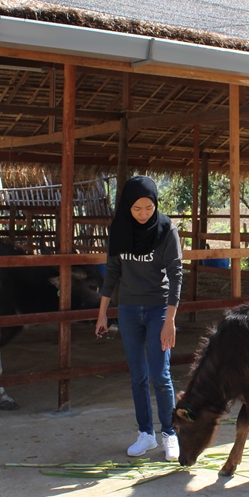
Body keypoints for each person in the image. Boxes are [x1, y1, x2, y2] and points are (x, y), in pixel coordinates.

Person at [96, 175, 184, 462]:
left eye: (149, 208)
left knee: (161, 374)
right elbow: (112, 273)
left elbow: (176, 274)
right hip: (129, 311)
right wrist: (102, 314)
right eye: (137, 209)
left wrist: (170, 319)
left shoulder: (167, 229)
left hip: (159, 309)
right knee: (138, 376)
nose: (144, 214)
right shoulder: (119, 230)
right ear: (127, 208)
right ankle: (145, 434)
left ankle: (170, 433)